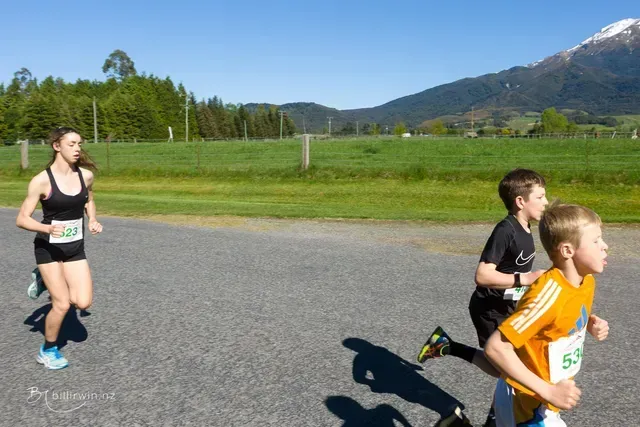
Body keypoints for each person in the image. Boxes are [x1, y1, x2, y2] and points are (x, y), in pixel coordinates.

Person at [417, 168, 549, 426]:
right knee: (508, 368)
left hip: (507, 307)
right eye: (541, 197)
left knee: (514, 367)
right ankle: (493, 419)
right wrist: (525, 279)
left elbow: (513, 270)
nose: (546, 202)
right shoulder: (506, 230)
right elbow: (483, 274)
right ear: (521, 201)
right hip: (489, 308)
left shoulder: (526, 227)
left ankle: (445, 345)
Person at [484, 203, 609, 426]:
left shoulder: (585, 281)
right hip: (528, 404)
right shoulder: (547, 295)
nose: (605, 246)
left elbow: (561, 318)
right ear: (568, 251)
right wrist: (549, 391)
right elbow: (496, 348)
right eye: (596, 241)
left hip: (545, 399)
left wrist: (589, 322)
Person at [16, 126, 103, 370]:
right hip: (49, 249)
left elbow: (90, 200)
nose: (77, 149)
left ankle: (44, 280)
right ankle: (48, 350)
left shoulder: (85, 176)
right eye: (71, 144)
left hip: (75, 248)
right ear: (57, 146)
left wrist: (93, 220)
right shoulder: (41, 181)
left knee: (83, 302)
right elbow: (22, 219)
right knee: (62, 304)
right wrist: (46, 229)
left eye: (79, 144)